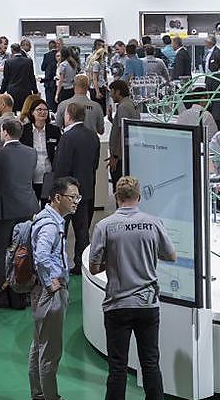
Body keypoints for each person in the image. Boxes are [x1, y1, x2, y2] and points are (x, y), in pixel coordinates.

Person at [89, 176, 176, 400]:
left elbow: (94, 267)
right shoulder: (153, 223)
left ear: (117, 197)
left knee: (117, 366)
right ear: (138, 197)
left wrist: (113, 261)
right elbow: (171, 255)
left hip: (117, 305)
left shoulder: (104, 226)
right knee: (150, 363)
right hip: (147, 304)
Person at [26, 176, 87, 400]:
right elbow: (41, 255)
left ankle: (38, 397)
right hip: (50, 293)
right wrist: (52, 282)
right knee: (50, 350)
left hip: (40, 291)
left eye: (78, 197)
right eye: (72, 197)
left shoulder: (46, 219)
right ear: (57, 198)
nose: (76, 201)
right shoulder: (51, 226)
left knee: (38, 345)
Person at [0, 118, 39, 309]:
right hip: (27, 208)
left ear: (4, 132)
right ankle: (24, 292)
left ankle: (2, 295)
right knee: (24, 250)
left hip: (4, 212)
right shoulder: (32, 152)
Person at [53, 102, 101, 275]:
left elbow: (61, 167)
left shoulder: (67, 137)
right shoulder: (93, 136)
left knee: (61, 230)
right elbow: (95, 164)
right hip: (86, 190)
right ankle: (82, 264)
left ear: (68, 116)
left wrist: (56, 191)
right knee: (82, 232)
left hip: (66, 193)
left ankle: (58, 263)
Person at [20, 97, 62, 203]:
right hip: (30, 176)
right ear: (32, 112)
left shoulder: (54, 130)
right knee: (31, 206)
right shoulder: (24, 131)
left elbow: (60, 151)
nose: (43, 112)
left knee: (47, 205)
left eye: (45, 110)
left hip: (48, 175)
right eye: (39, 109)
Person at [107, 79, 138, 187]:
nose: (111, 95)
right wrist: (112, 120)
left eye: (112, 91)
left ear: (118, 92)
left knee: (119, 188)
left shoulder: (123, 107)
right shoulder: (130, 104)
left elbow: (122, 132)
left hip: (121, 157)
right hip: (125, 154)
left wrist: (115, 156)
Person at [1, 43, 38, 112]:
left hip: (12, 92)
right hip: (25, 91)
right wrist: (35, 90)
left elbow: (6, 79)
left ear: (12, 50)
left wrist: (1, 92)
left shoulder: (8, 62)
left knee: (13, 111)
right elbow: (31, 77)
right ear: (20, 49)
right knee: (26, 111)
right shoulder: (28, 61)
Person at [86, 47, 108, 112]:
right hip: (97, 88)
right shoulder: (96, 63)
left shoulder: (100, 64)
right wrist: (98, 92)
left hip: (100, 87)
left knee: (101, 108)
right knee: (99, 108)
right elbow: (95, 78)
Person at [40, 40, 59, 111]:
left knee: (50, 103)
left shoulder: (46, 55)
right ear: (56, 46)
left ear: (49, 47)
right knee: (58, 102)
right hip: (58, 82)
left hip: (48, 83)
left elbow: (43, 68)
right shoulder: (60, 55)